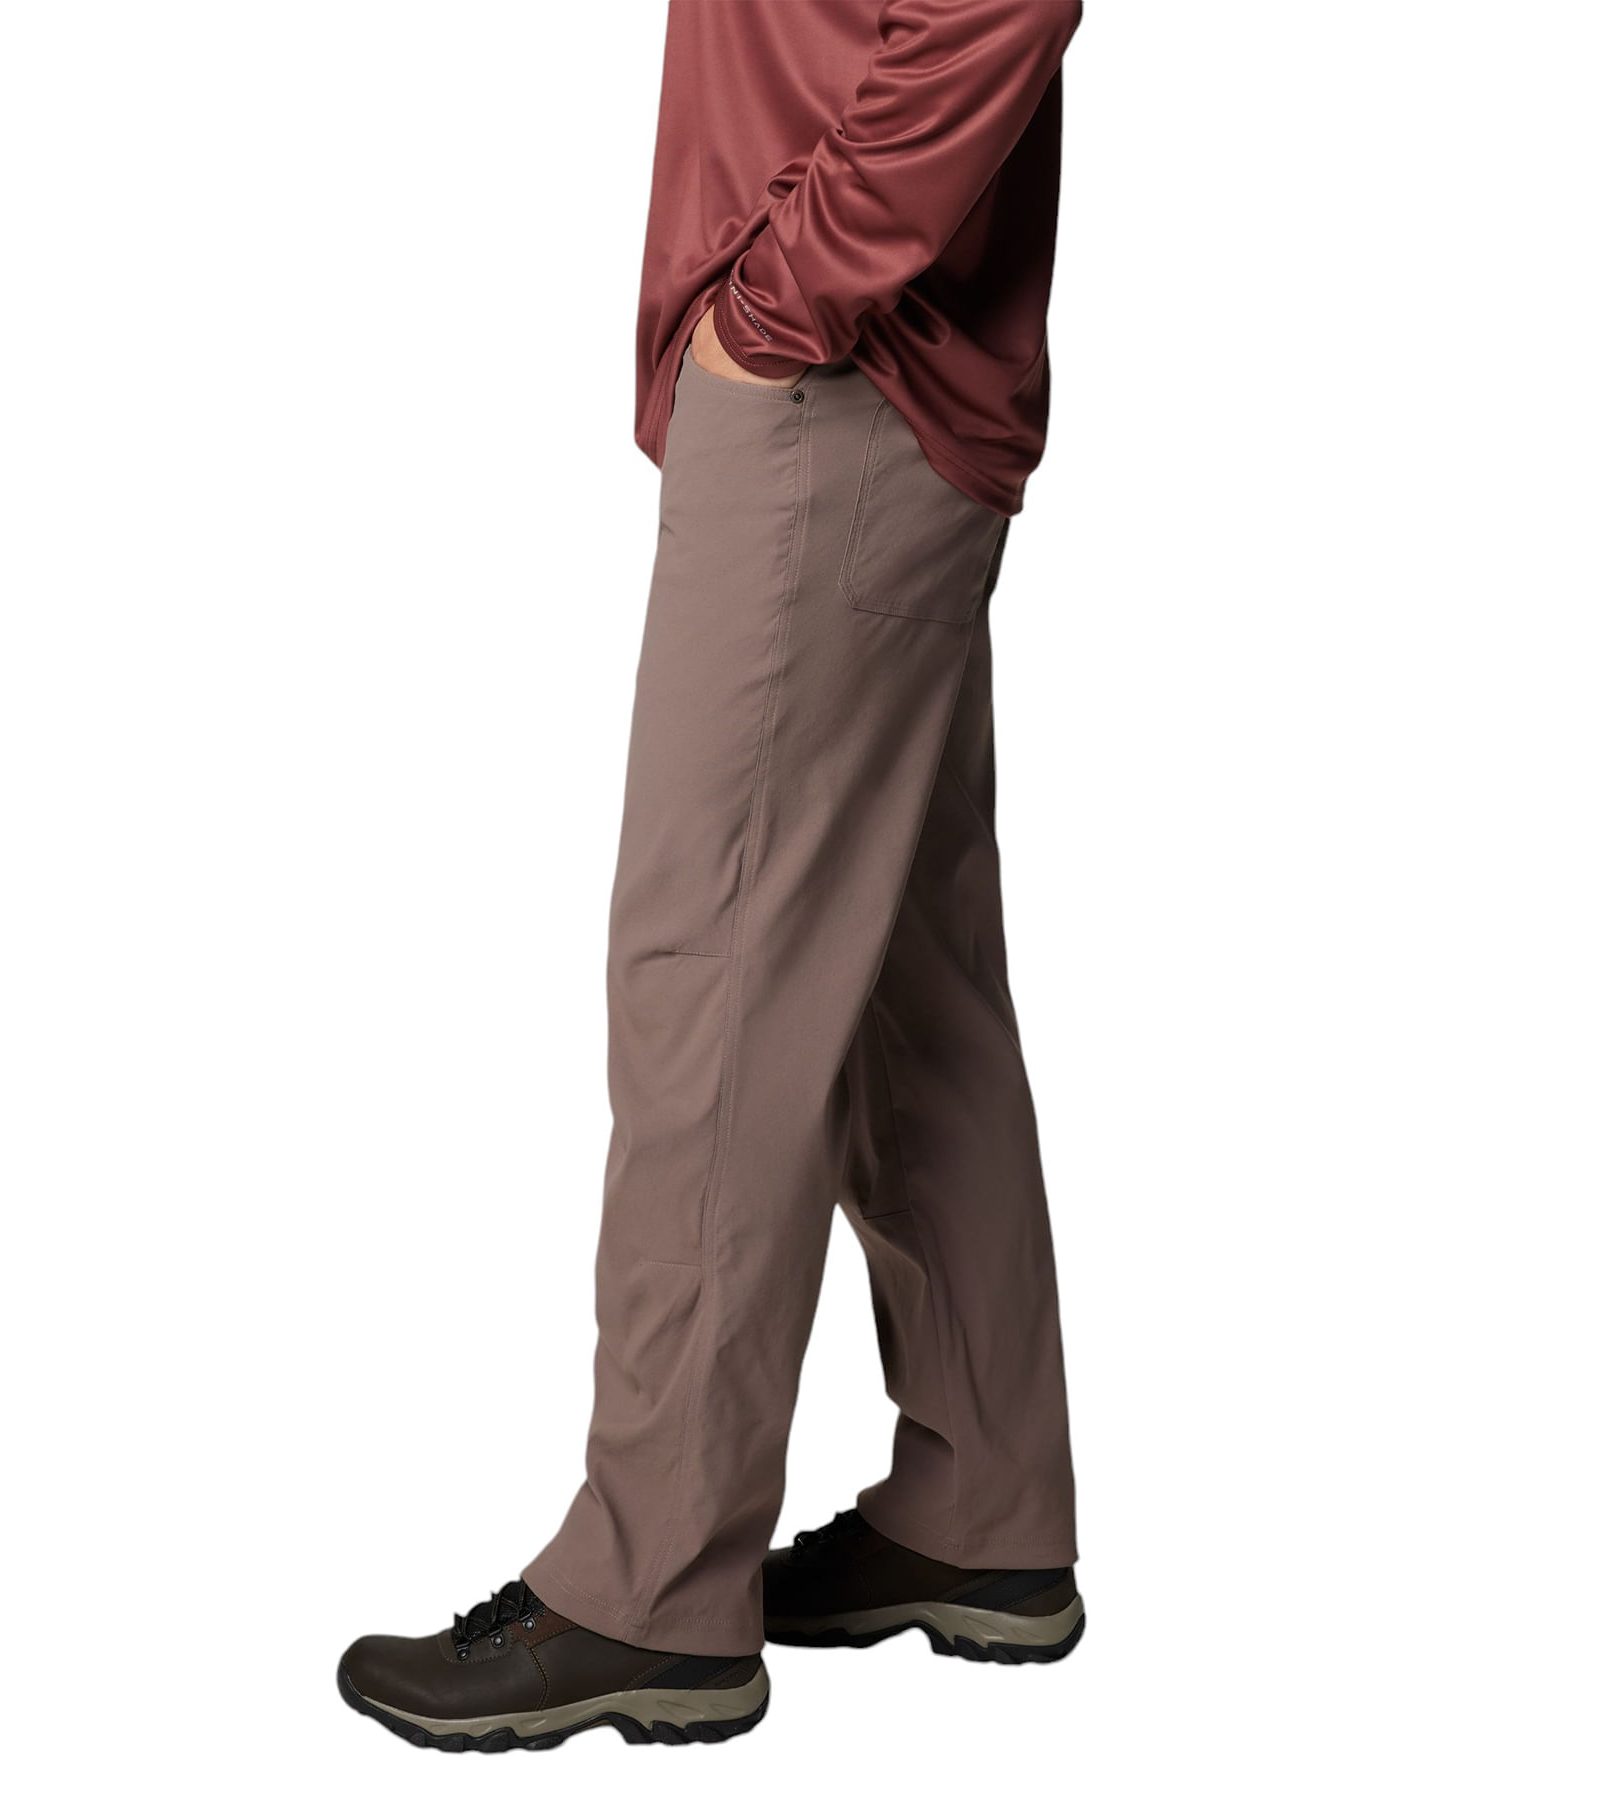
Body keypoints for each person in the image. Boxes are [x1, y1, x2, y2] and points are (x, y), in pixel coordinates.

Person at [339, 0, 1086, 1753]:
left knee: (714, 962)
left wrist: (778, 305)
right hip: (868, 382)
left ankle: (651, 1589)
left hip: (845, 379)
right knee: (905, 981)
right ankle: (981, 1507)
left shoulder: (814, 334)